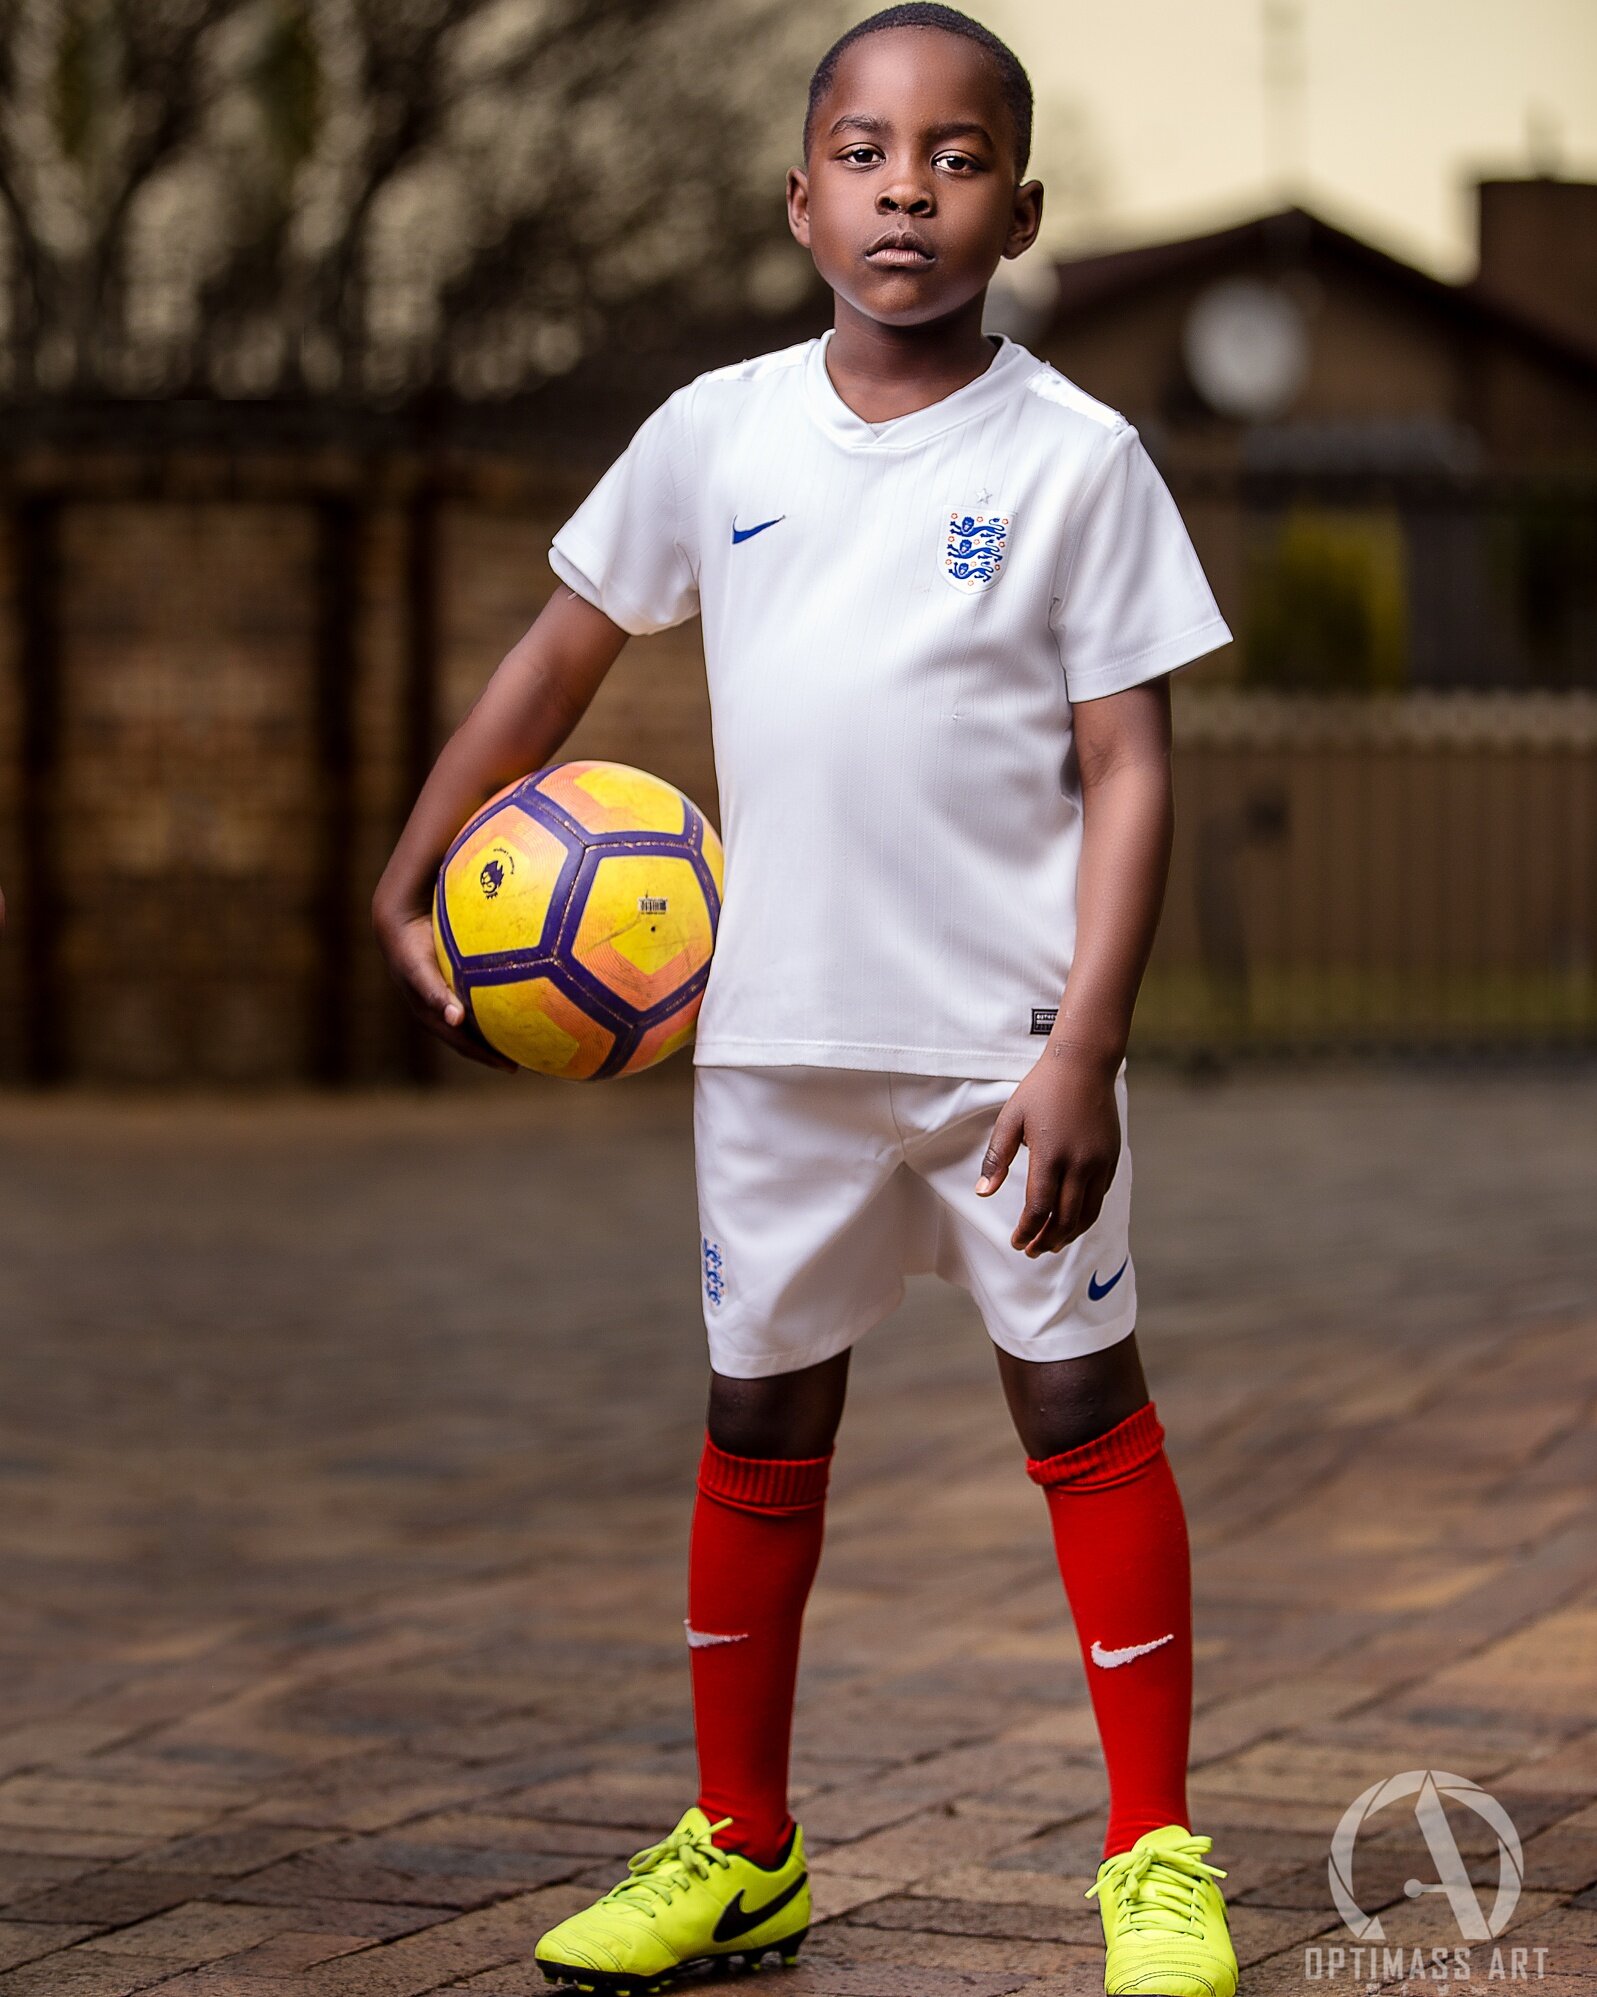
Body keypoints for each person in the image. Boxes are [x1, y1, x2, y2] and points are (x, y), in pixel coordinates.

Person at [373, 7, 1240, 1993]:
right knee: (756, 1419)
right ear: (797, 198)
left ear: (1019, 205)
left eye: (952, 157)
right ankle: (741, 1846)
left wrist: (1086, 1048)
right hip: (770, 1051)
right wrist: (407, 861)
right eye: (862, 151)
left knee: (1082, 1409)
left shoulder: (1077, 463)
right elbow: (553, 659)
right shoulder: (717, 431)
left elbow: (1131, 768)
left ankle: (1156, 1850)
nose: (904, 189)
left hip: (1007, 1061)